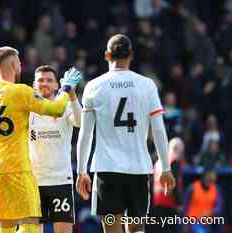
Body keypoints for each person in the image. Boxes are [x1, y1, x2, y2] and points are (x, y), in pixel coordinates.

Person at [0, 46, 82, 233]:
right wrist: (66, 89)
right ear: (14, 65)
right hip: (17, 167)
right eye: (19, 63)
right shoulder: (20, 92)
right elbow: (56, 109)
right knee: (29, 222)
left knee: (5, 225)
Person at [75, 34, 176, 233]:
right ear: (131, 55)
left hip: (107, 170)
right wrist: (165, 167)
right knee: (137, 229)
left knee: (112, 229)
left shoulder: (94, 87)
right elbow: (158, 129)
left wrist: (81, 171)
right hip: (138, 169)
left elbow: (85, 134)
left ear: (106, 55)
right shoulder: (147, 85)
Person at [28, 65, 82, 233]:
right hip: (33, 181)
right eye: (41, 80)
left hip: (60, 180)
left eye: (49, 80)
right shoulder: (28, 109)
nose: (45, 83)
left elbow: (80, 123)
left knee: (64, 231)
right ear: (33, 85)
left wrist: (72, 96)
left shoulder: (65, 106)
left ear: (57, 85)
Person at [150, 137, 186, 233]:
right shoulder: (173, 162)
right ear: (177, 149)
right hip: (169, 205)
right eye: (182, 151)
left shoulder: (158, 162)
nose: (183, 155)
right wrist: (179, 203)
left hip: (157, 205)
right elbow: (174, 184)